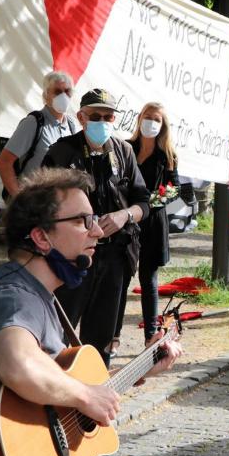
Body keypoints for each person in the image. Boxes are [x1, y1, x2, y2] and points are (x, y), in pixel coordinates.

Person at [0, 167, 197, 456]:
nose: (96, 230)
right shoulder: (14, 296)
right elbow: (15, 364)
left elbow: (59, 385)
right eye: (82, 220)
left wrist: (146, 365)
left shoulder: (38, 293)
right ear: (41, 238)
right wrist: (84, 394)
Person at [42, 88, 150, 367]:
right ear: (81, 117)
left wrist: (124, 216)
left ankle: (93, 392)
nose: (102, 122)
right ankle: (51, 392)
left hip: (114, 256)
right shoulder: (62, 152)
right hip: (72, 257)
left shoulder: (124, 151)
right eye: (95, 116)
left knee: (101, 335)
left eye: (108, 116)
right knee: (59, 332)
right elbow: (42, 204)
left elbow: (143, 203)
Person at [129, 102, 179, 343]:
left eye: (156, 119)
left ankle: (151, 335)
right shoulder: (125, 148)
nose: (151, 122)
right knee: (117, 279)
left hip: (152, 224)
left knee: (148, 281)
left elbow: (174, 189)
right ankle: (112, 335)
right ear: (139, 119)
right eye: (147, 117)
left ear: (163, 125)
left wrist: (150, 205)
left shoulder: (167, 155)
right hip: (125, 222)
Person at [0, 71, 80, 198]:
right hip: (34, 204)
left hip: (60, 205)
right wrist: (20, 200)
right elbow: (4, 162)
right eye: (57, 92)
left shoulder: (71, 125)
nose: (63, 96)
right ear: (46, 96)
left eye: (67, 91)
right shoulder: (34, 122)